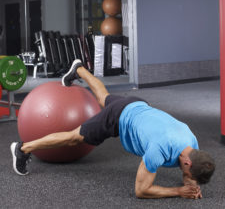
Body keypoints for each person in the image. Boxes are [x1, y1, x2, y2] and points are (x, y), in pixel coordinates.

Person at [10, 59, 215, 199]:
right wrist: (179, 191)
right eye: (190, 174)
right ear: (187, 161)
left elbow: (190, 169)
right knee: (74, 138)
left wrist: (192, 184)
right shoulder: (158, 150)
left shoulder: (192, 142)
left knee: (103, 98)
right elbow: (141, 190)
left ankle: (79, 68)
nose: (188, 178)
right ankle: (22, 148)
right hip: (119, 117)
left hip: (139, 105)